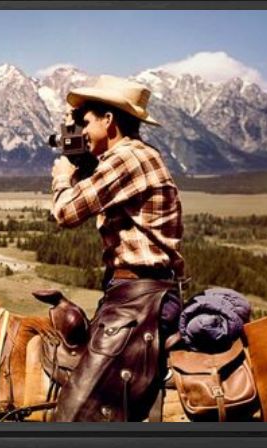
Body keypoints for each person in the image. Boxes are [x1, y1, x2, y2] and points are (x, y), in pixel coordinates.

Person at [48, 75, 186, 422]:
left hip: (140, 300)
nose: (82, 129)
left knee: (74, 413)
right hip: (129, 295)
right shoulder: (128, 157)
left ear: (109, 120)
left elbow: (66, 213)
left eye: (87, 121)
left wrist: (63, 175)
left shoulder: (128, 158)